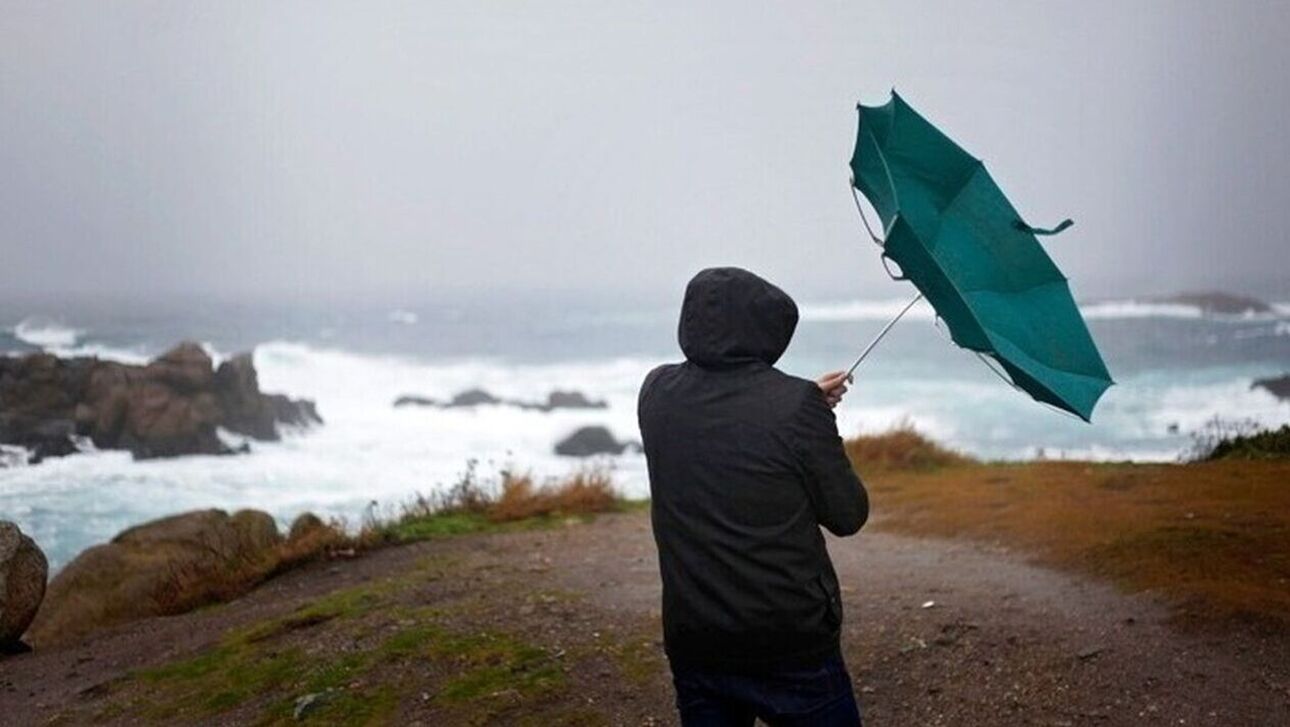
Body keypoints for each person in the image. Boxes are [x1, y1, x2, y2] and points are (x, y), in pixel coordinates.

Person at [638, 267, 870, 726]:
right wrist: (810, 415)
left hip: (695, 634)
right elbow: (848, 514)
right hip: (789, 639)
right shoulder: (794, 408)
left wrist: (803, 406)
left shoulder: (656, 392)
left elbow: (729, 420)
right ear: (769, 330)